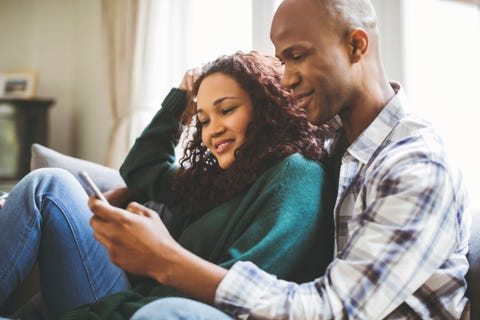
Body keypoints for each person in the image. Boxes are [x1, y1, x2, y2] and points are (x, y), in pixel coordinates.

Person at [93, 0, 470, 319]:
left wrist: (166, 259)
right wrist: (133, 189)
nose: (286, 78)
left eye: (297, 56)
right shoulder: (326, 138)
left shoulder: (417, 166)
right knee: (52, 186)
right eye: (282, 62)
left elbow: (334, 310)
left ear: (356, 46)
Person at [0, 51, 335, 319]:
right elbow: (140, 169)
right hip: (129, 301)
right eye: (203, 120)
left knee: (50, 186)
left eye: (227, 110)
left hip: (154, 310)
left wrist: (157, 253)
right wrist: (179, 102)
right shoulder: (217, 179)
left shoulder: (296, 175)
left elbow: (240, 293)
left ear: (267, 109)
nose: (212, 129)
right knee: (48, 185)